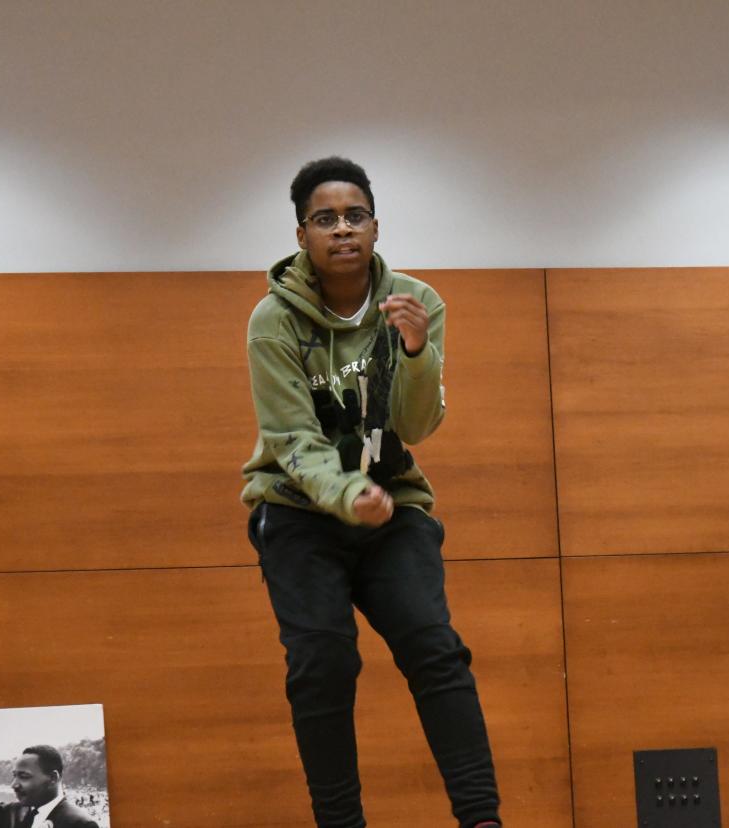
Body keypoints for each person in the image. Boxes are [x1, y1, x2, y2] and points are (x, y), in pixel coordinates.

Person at [241, 156, 502, 828]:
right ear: (302, 236)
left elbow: (418, 425)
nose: (342, 229)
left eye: (354, 216)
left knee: (434, 647)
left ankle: (483, 820)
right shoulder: (273, 320)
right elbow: (292, 439)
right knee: (324, 660)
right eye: (324, 219)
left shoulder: (417, 303)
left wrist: (416, 351)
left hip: (393, 510)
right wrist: (345, 491)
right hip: (300, 514)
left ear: (376, 227)